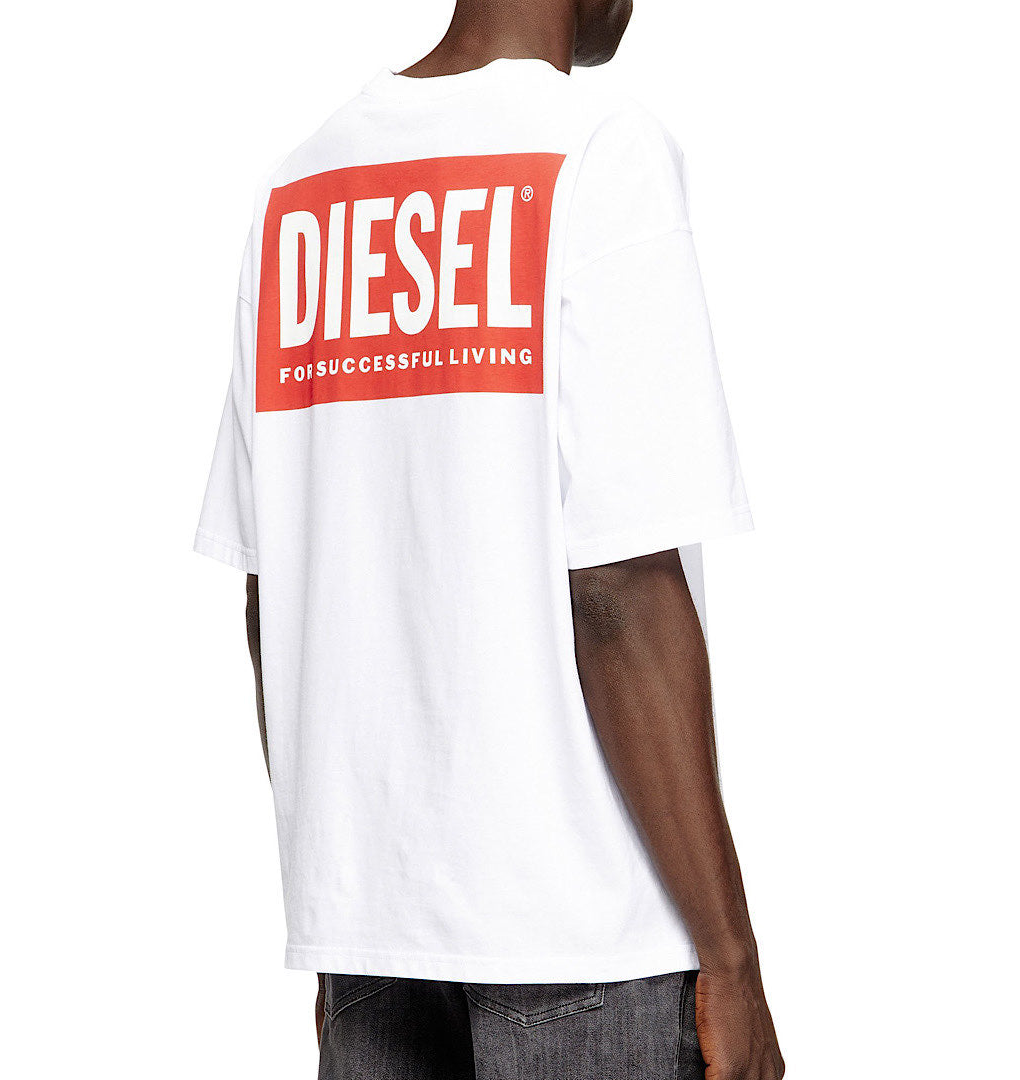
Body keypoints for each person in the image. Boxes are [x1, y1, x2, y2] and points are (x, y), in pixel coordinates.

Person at [195, 1, 784, 1076]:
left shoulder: (302, 186)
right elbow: (618, 586)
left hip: (371, 940)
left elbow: (271, 598)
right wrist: (733, 960)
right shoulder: (595, 151)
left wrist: (340, 916)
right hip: (583, 934)